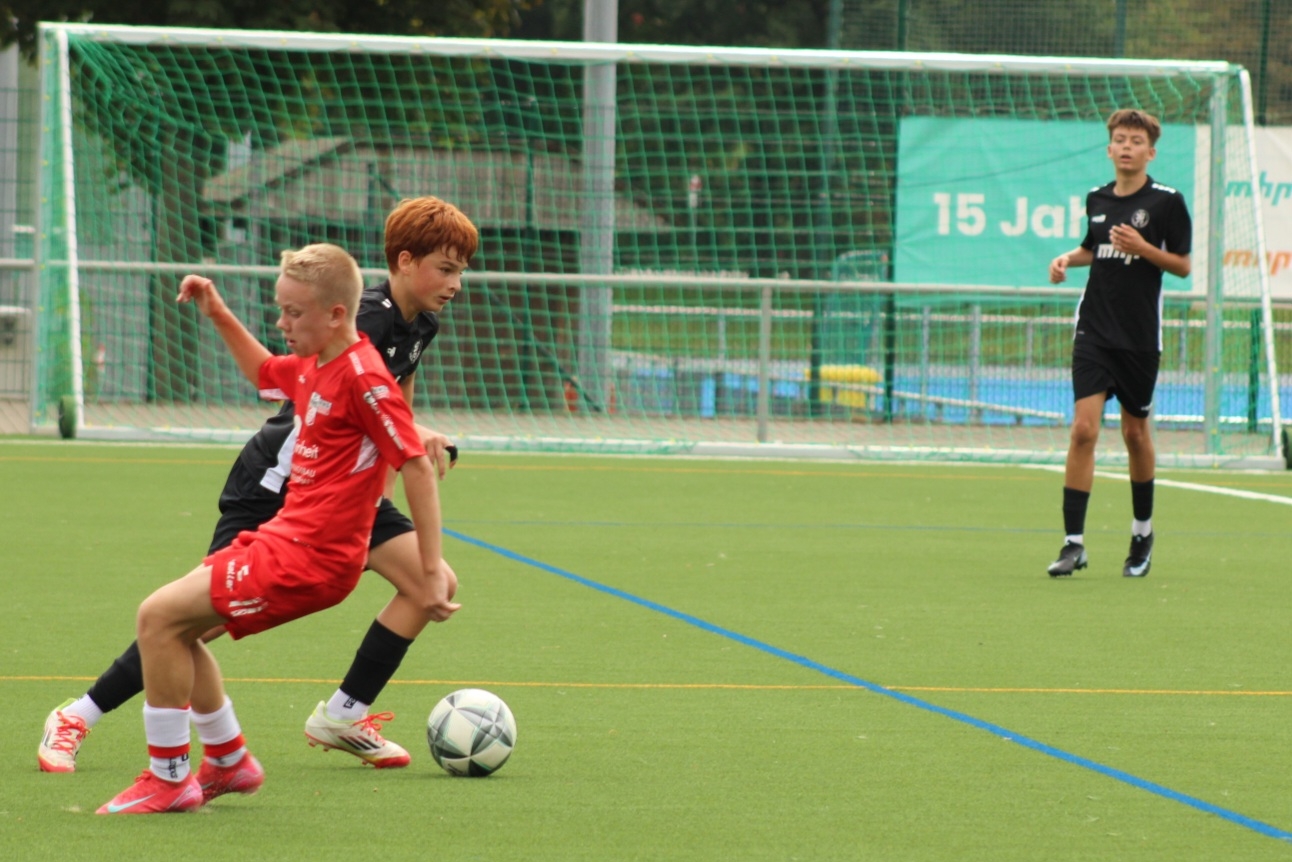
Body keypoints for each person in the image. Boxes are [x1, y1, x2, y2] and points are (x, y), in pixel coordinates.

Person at [39, 197, 478, 776]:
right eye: (445, 269)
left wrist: (385, 487)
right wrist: (414, 436)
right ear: (403, 261)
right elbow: (343, 392)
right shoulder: (360, 318)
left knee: (430, 583)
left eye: (460, 271)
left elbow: (394, 398)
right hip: (276, 486)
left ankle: (343, 715)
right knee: (191, 623)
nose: (455, 284)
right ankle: (78, 715)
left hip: (342, 495)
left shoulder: (421, 324)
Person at [1045, 108, 1192, 579]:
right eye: (1121, 140)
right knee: (1083, 430)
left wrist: (1143, 248)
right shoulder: (1097, 198)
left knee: (1134, 434)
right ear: (1109, 149)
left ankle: (1142, 534)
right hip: (1094, 330)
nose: (1127, 147)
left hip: (1139, 337)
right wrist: (1067, 258)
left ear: (1151, 152)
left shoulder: (1167, 202)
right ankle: (1073, 544)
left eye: (1136, 141)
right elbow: (1093, 248)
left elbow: (1183, 265)